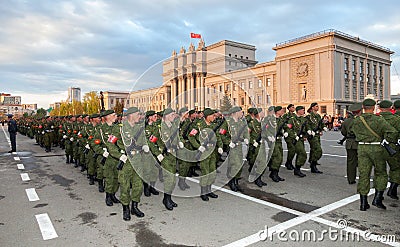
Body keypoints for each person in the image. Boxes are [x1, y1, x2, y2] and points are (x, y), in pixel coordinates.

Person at [351, 99, 397, 211]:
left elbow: (352, 132)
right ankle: (377, 198)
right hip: (377, 148)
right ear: (373, 107)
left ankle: (363, 203)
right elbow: (392, 131)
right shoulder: (378, 120)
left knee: (363, 174)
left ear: (363, 107)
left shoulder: (357, 120)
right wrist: (386, 139)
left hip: (362, 148)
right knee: (380, 173)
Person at [378, 100, 400, 200]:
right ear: (391, 107)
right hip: (393, 147)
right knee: (395, 168)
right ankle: (392, 189)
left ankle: (378, 196)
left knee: (380, 172)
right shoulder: (396, 119)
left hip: (377, 147)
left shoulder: (377, 118)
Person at [341, 103, 362, 184]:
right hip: (360, 142)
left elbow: (343, 132)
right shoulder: (361, 120)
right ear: (360, 111)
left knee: (351, 162)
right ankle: (363, 179)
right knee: (362, 162)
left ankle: (351, 179)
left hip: (350, 143)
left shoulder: (346, 121)